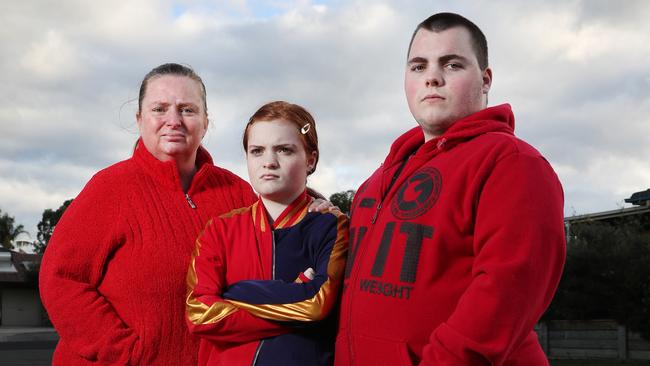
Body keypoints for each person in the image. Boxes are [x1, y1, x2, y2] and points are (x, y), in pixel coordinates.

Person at [39, 64, 330, 365]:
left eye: (187, 110)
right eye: (160, 109)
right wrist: (126, 353)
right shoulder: (109, 189)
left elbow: (286, 221)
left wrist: (317, 204)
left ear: (205, 123)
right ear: (140, 120)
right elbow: (61, 279)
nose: (173, 121)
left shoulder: (236, 192)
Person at [335, 13, 566, 366]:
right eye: (418, 66)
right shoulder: (376, 180)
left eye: (452, 64)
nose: (432, 77)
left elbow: (505, 294)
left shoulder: (514, 163)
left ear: (485, 81)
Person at [186, 101, 349, 365]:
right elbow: (199, 313)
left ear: (311, 159)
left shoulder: (330, 225)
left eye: (284, 150)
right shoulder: (219, 230)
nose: (269, 162)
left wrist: (236, 293)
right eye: (257, 151)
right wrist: (294, 300)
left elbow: (317, 305)